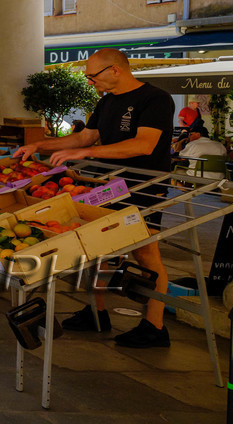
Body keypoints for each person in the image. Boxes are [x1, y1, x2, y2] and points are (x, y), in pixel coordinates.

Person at [15, 47, 176, 348]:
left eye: (93, 76)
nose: (90, 82)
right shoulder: (106, 103)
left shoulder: (156, 99)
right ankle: (97, 312)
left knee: (145, 252)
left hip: (144, 186)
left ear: (115, 70)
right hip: (107, 187)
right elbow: (84, 137)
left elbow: (143, 144)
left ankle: (155, 325)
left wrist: (85, 152)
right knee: (98, 246)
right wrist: (40, 145)